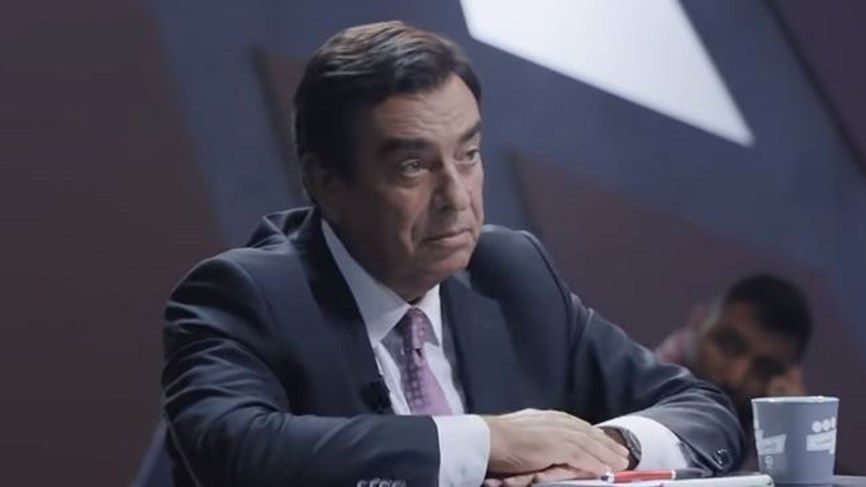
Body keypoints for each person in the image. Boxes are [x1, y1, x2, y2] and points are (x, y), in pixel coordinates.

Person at [161, 21, 742, 487]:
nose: (457, 197)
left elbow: (699, 407)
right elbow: (234, 450)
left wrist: (606, 448)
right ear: (326, 181)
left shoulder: (511, 274)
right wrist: (487, 442)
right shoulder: (246, 297)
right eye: (413, 166)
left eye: (468, 155)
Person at [656, 274, 812, 467]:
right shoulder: (628, 390)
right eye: (729, 344)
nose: (734, 378)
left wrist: (795, 439)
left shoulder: (766, 437)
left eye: (764, 368)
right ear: (698, 324)